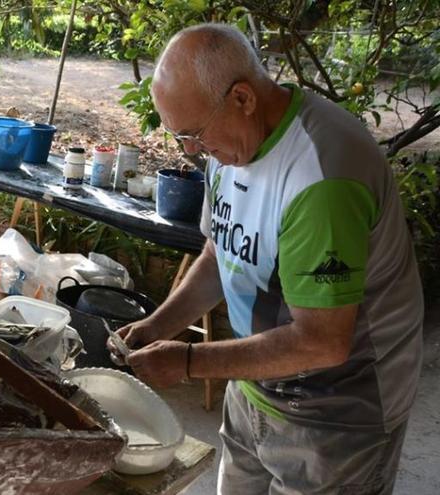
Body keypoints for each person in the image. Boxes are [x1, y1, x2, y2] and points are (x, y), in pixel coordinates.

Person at [110, 23, 423, 494]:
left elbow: (322, 342)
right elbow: (221, 255)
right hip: (255, 387)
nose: (192, 151)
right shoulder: (231, 143)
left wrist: (190, 361)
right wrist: (159, 325)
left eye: (193, 134)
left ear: (242, 98)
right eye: (181, 138)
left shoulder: (322, 178)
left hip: (337, 417)